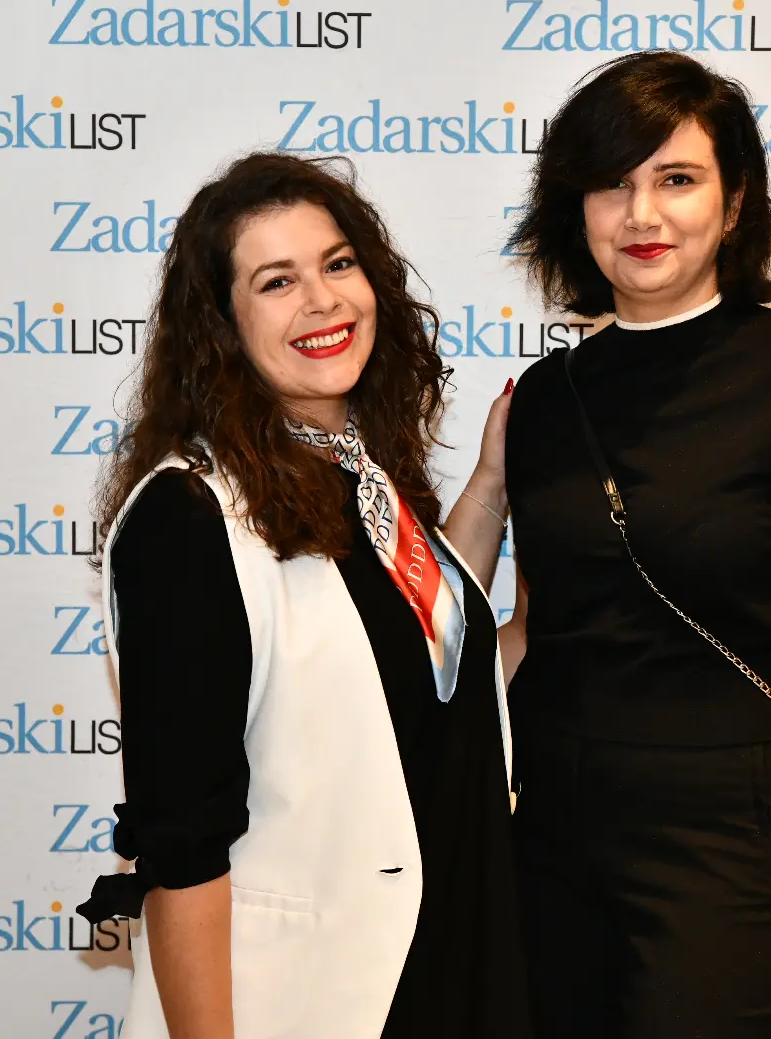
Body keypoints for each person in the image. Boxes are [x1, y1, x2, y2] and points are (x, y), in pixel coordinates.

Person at [76, 152, 528, 1039]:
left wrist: (495, 483)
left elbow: (433, 662)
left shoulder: (363, 480)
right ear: (222, 325)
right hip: (312, 997)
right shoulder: (188, 517)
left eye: (338, 264)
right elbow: (183, 850)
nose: (323, 302)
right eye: (277, 281)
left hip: (447, 961)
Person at [501, 51, 771, 1039]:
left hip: (728, 835)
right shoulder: (547, 401)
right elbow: (534, 630)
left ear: (734, 205)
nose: (642, 214)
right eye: (613, 184)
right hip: (551, 834)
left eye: (676, 179)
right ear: (576, 210)